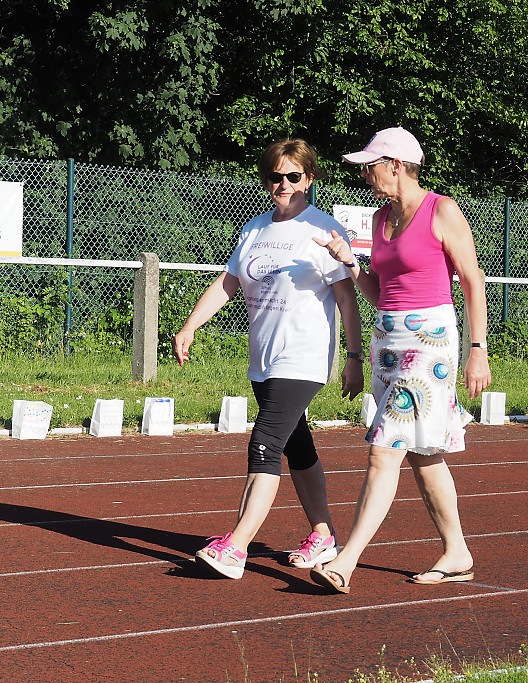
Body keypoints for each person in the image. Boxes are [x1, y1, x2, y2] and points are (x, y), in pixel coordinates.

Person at [308, 126, 491, 594]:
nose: (366, 175)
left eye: (370, 165)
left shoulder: (442, 210)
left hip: (430, 343)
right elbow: (378, 292)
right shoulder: (377, 219)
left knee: (384, 447)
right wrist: (349, 262)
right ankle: (457, 552)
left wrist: (478, 350)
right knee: (422, 454)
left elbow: (473, 282)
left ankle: (344, 562)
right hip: (388, 339)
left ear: (395, 164)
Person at [173, 138, 365, 579]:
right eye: (276, 176)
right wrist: (190, 325)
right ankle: (323, 535)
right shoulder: (255, 229)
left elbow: (348, 301)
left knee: (265, 443)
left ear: (309, 179)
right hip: (264, 359)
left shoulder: (323, 230)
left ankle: (236, 547)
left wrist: (353, 357)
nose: (284, 184)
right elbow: (228, 282)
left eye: (293, 177)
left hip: (303, 358)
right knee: (297, 447)